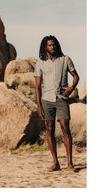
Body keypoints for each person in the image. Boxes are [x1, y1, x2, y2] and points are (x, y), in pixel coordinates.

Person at [34, 35, 79, 172]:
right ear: (45, 47)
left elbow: (76, 76)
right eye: (49, 45)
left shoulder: (65, 59)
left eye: (54, 45)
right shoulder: (40, 62)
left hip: (61, 99)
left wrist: (71, 88)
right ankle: (55, 162)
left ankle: (70, 163)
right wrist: (39, 105)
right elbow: (37, 86)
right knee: (49, 129)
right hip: (46, 100)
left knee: (65, 127)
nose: (52, 47)